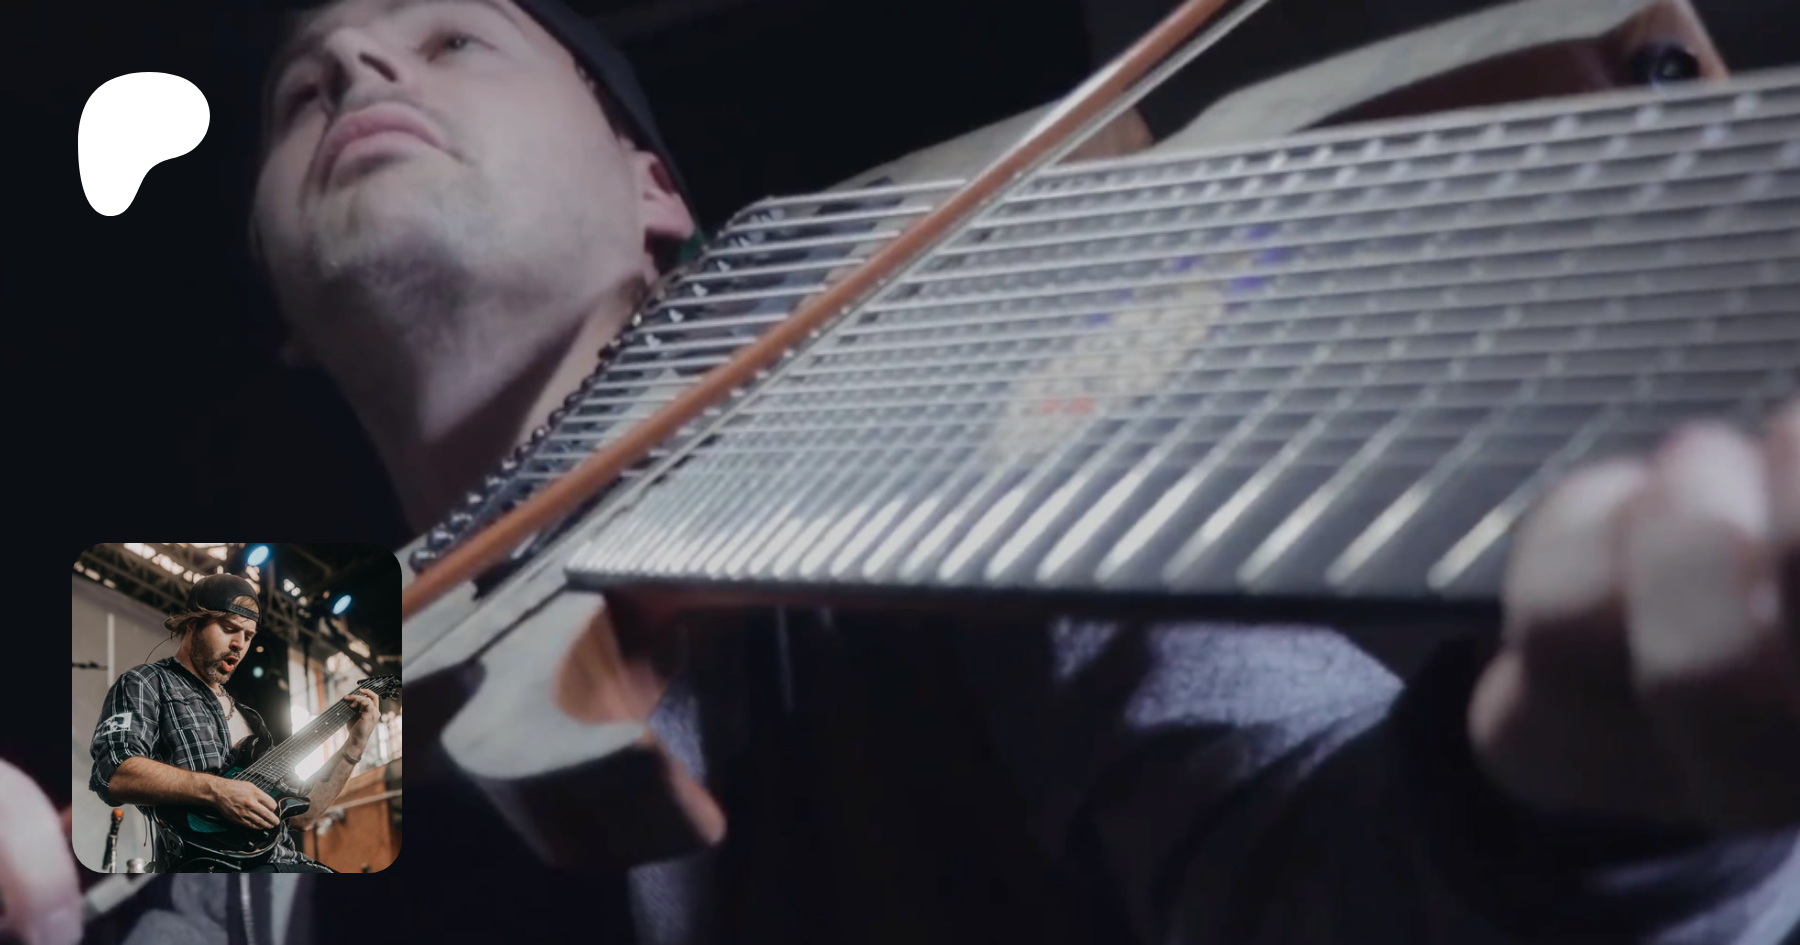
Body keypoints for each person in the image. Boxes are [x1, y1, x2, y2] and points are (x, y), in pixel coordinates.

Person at [86, 574, 380, 874]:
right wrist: (218, 791)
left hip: (285, 863)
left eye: (249, 636)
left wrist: (355, 742)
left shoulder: (251, 719)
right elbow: (113, 773)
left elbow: (304, 816)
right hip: (210, 869)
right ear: (193, 623)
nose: (239, 644)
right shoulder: (148, 682)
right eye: (229, 629)